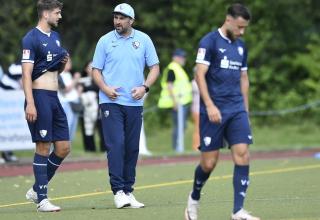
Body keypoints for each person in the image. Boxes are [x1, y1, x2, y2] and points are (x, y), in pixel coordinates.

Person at [185, 4, 260, 220]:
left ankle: (238, 211)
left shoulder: (241, 46)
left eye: (245, 28)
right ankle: (194, 198)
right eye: (239, 27)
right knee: (209, 163)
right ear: (228, 20)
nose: (242, 32)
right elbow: (200, 75)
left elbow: (244, 78)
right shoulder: (208, 42)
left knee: (243, 154)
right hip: (213, 110)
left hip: (236, 108)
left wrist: (245, 111)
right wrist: (209, 105)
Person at [91, 3, 160, 209]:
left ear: (131, 20)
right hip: (110, 102)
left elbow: (155, 68)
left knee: (132, 148)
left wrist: (145, 87)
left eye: (121, 18)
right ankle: (118, 191)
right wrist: (105, 88)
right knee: (116, 145)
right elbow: (96, 70)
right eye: (115, 17)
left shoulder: (144, 39)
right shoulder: (105, 40)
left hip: (134, 103)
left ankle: (129, 191)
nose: (117, 21)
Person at [21, 0, 70, 212]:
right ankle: (42, 200)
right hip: (39, 97)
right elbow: (26, 74)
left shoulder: (56, 38)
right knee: (43, 146)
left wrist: (62, 64)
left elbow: (55, 70)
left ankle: (36, 189)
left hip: (54, 98)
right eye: (57, 13)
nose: (60, 16)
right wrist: (30, 103)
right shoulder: (30, 38)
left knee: (63, 147)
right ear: (46, 13)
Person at [158, 49, 192, 152]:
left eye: (184, 57)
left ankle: (178, 147)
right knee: (179, 126)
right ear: (175, 57)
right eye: (181, 57)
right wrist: (175, 102)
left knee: (181, 126)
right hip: (177, 103)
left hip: (182, 103)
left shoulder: (178, 68)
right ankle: (176, 148)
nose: (183, 59)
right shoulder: (172, 68)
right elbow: (169, 85)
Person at [78, 61, 104, 152]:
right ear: (85, 69)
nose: (91, 68)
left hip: (98, 107)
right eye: (89, 67)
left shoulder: (101, 79)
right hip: (86, 108)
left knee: (102, 128)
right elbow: (78, 92)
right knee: (88, 128)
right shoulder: (81, 80)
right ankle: (90, 148)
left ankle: (103, 148)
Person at [191, 77, 200, 151]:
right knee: (197, 128)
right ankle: (196, 146)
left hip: (201, 109)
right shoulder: (194, 83)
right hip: (197, 109)